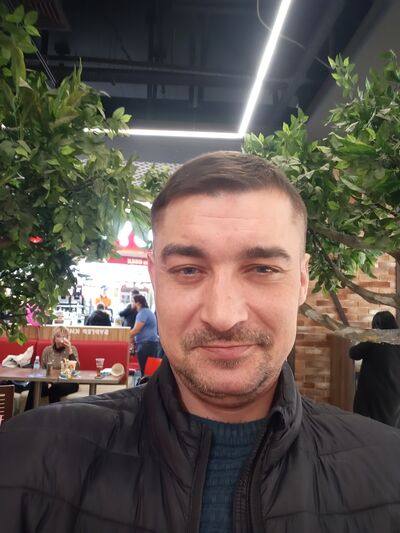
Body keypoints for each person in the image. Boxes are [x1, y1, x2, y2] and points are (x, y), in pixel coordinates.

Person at [0, 152, 399, 532]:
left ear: (301, 280)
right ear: (155, 279)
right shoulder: (25, 461)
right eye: (189, 270)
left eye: (262, 269)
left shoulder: (389, 472)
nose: (223, 316)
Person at [350, 310, 400, 428]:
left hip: (374, 393)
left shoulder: (375, 338)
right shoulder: (398, 340)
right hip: (395, 393)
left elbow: (354, 353)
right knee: (391, 427)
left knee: (369, 427)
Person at [24, 326, 80, 410]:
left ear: (68, 338)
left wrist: (69, 350)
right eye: (58, 336)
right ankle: (27, 414)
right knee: (35, 384)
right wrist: (48, 382)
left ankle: (53, 416)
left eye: (64, 337)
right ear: (54, 338)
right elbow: (42, 370)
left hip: (69, 382)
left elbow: (76, 369)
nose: (61, 339)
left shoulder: (72, 349)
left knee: (55, 389)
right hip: (49, 381)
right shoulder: (47, 350)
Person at [129, 294, 160, 374]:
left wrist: (124, 336)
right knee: (149, 370)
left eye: (132, 301)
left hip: (146, 344)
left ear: (138, 303)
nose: (131, 303)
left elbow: (136, 330)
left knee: (145, 371)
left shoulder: (143, 313)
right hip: (150, 343)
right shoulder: (146, 312)